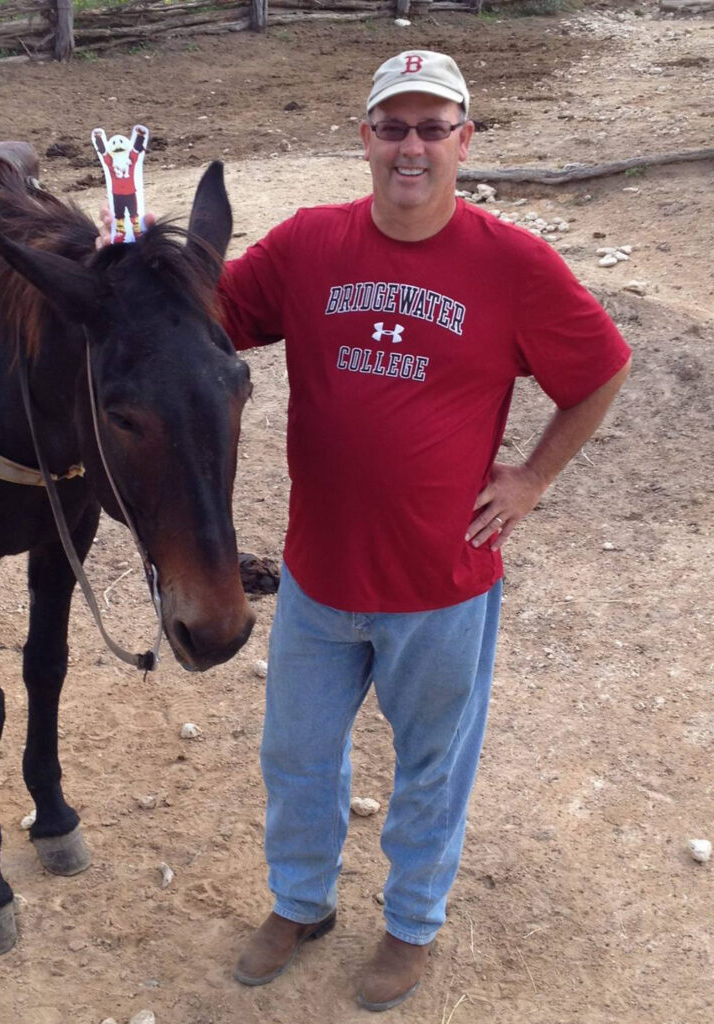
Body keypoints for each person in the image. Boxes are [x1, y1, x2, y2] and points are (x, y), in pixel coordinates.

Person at [99, 49, 630, 1012]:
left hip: (443, 584)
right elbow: (196, 321)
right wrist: (124, 261)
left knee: (431, 766)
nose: (412, 147)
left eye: (433, 128)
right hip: (318, 577)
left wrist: (535, 476)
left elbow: (599, 370)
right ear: (365, 140)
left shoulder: (513, 264)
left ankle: (411, 925)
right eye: (394, 127)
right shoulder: (310, 247)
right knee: (297, 755)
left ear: (465, 141)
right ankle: (301, 904)